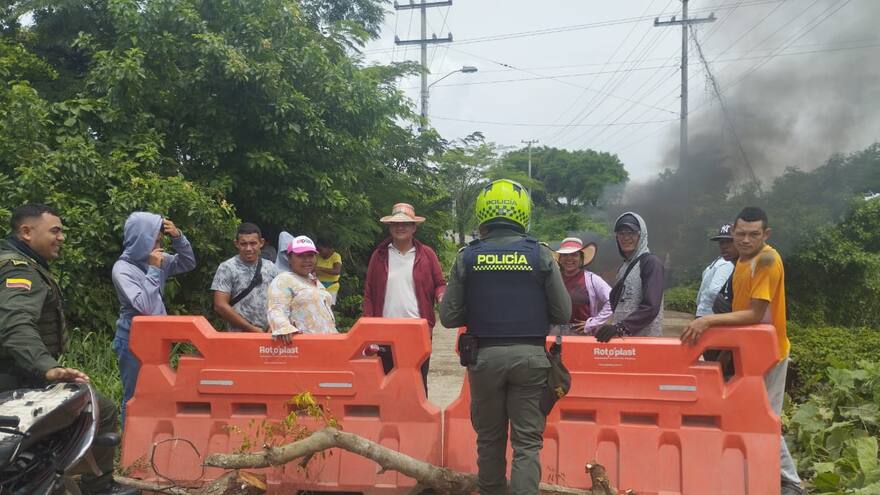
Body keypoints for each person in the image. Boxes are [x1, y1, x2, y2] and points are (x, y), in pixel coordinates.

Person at [440, 179, 571, 495]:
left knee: (489, 439)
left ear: (482, 213)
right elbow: (563, 314)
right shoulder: (539, 255)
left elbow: (448, 317)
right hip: (531, 359)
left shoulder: (468, 257)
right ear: (523, 212)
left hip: (484, 359)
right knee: (526, 443)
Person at [0, 204, 137, 495]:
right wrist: (46, 367)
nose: (61, 237)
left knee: (99, 408)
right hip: (18, 375)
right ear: (26, 232)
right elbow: (16, 325)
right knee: (97, 408)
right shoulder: (19, 270)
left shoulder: (17, 262)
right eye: (55, 231)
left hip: (23, 370)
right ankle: (94, 487)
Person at [681, 207, 803, 495]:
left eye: (753, 234)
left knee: (766, 416)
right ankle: (754, 471)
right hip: (748, 352)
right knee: (746, 413)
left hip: (769, 353)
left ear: (766, 234)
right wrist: (726, 354)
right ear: (733, 232)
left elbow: (753, 314)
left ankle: (790, 482)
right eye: (741, 233)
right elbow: (739, 315)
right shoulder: (742, 262)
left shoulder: (767, 261)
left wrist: (707, 321)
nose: (746, 239)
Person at [112, 211, 196, 424]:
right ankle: (128, 444)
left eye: (160, 237)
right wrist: (154, 269)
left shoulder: (157, 259)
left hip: (157, 339)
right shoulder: (122, 269)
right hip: (132, 340)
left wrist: (178, 237)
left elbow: (188, 263)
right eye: (154, 237)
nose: (159, 241)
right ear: (141, 238)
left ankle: (149, 438)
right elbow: (146, 307)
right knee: (135, 394)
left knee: (157, 391)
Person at [362, 203, 446, 390]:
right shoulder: (379, 255)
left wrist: (441, 296)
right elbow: (369, 292)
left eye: (406, 224)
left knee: (417, 382)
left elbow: (440, 284)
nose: (400, 227)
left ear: (414, 227)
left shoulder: (427, 254)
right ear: (390, 228)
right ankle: (391, 419)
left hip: (418, 329)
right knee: (387, 382)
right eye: (395, 224)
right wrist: (368, 326)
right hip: (385, 330)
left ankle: (420, 420)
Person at [596, 212, 664, 342]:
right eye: (621, 233)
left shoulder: (651, 263)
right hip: (624, 344)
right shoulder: (624, 267)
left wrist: (621, 328)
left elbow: (651, 307)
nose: (625, 237)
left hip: (644, 343)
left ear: (641, 235)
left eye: (631, 233)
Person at [211, 222, 280, 332]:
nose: (248, 248)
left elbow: (282, 300)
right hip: (239, 337)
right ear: (236, 244)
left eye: (253, 243)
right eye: (244, 244)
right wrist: (251, 329)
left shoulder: (271, 268)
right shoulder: (227, 268)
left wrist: (276, 323)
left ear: (261, 243)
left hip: (269, 337)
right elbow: (220, 305)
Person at [267, 235, 337, 341]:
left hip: (328, 344)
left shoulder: (315, 281)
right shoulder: (284, 279)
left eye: (311, 255)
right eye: (300, 256)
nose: (307, 260)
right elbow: (276, 309)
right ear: (289, 258)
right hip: (302, 346)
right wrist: (285, 328)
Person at [552, 237, 612, 336]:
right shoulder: (553, 279)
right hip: (556, 334)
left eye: (574, 255)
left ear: (581, 258)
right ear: (560, 259)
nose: (569, 258)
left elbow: (612, 300)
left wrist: (593, 323)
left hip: (582, 335)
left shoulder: (592, 279)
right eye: (565, 255)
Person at [695, 223, 736, 317]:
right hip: (712, 316)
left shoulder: (718, 262)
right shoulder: (727, 264)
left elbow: (703, 292)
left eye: (729, 241)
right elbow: (714, 290)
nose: (724, 246)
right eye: (721, 242)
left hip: (703, 313)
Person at [315, 237, 342, 305]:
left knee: (329, 306)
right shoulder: (317, 256)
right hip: (318, 284)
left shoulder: (336, 256)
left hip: (332, 285)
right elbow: (312, 269)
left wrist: (320, 268)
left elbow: (337, 271)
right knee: (318, 304)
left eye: (320, 250)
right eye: (317, 250)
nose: (318, 252)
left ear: (328, 248)